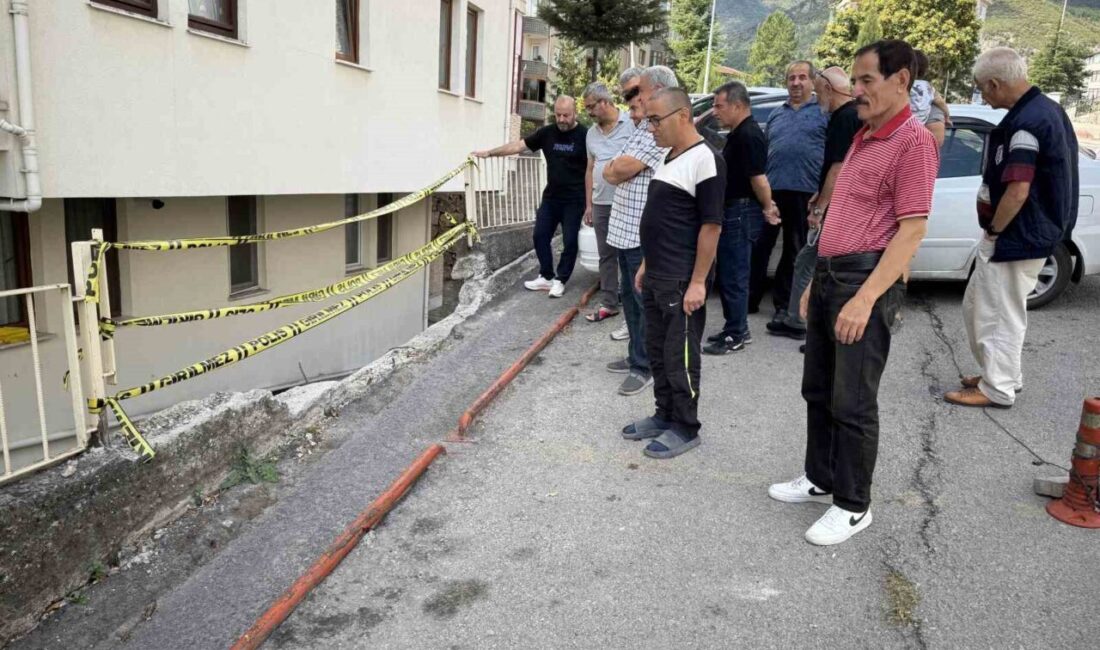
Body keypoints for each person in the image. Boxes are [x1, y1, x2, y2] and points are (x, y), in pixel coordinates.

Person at [769, 40, 940, 545]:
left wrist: (864, 298)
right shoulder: (867, 135)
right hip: (832, 276)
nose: (856, 90)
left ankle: (853, 504)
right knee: (818, 388)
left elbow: (911, 231)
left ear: (901, 80)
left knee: (853, 400)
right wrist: (814, 282)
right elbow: (846, 211)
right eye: (857, 81)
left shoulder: (912, 142)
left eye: (866, 81)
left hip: (863, 281)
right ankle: (821, 476)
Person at [944, 47, 1079, 409]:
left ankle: (997, 388)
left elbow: (1018, 189)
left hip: (1017, 235)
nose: (983, 97)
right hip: (1030, 232)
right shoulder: (1045, 110)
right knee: (986, 306)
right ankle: (1002, 374)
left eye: (982, 89)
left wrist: (994, 232)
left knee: (997, 313)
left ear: (994, 83)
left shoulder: (1027, 123)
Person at [620, 87, 725, 459]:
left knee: (680, 356)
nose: (650, 128)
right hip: (657, 275)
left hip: (681, 280)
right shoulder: (670, 157)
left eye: (654, 120)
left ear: (682, 116)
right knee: (658, 351)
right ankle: (664, 414)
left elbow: (711, 226)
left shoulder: (705, 160)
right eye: (648, 120)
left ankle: (685, 426)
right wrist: (647, 263)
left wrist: (698, 282)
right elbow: (664, 218)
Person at [767, 66, 863, 343]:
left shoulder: (844, 117)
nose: (817, 99)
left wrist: (820, 206)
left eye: (819, 92)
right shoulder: (845, 115)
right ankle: (796, 319)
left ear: (828, 89)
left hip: (831, 206)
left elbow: (837, 167)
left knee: (811, 263)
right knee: (806, 261)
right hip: (821, 199)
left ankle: (806, 324)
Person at [603, 65, 678, 396]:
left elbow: (620, 168)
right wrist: (617, 167)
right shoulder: (643, 126)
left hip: (639, 232)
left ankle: (643, 365)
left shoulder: (657, 131)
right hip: (624, 230)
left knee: (642, 301)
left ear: (659, 91)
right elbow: (613, 168)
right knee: (631, 302)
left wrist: (618, 167)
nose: (637, 99)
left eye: (641, 91)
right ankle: (635, 354)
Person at [472, 96, 588, 298]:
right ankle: (546, 276)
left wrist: (591, 202)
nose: (561, 119)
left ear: (574, 113)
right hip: (551, 198)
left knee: (570, 241)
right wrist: (489, 153)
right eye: (558, 115)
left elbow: (595, 166)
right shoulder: (547, 133)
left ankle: (560, 280)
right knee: (539, 235)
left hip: (575, 199)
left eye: (566, 115)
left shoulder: (585, 135)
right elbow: (518, 146)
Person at [704, 80, 780, 355]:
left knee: (734, 275)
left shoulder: (749, 135)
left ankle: (736, 334)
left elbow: (758, 179)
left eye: (719, 105)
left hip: (740, 211)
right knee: (730, 273)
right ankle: (736, 327)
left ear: (737, 105)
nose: (715, 111)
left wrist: (768, 206)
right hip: (733, 210)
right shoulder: (738, 133)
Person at [750, 61, 828, 324]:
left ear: (813, 81)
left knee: (793, 251)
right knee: (761, 246)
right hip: (772, 192)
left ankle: (783, 305)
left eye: (802, 77)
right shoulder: (776, 114)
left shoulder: (824, 112)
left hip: (805, 192)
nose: (796, 82)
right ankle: (750, 298)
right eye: (791, 77)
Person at [583, 82, 633, 323]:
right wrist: (589, 204)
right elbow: (590, 168)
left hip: (627, 201)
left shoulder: (631, 124)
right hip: (601, 202)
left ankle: (633, 303)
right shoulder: (591, 133)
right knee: (606, 255)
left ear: (605, 102)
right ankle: (610, 303)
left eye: (591, 107)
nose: (589, 113)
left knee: (630, 255)